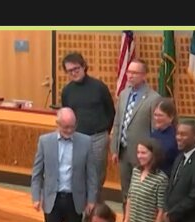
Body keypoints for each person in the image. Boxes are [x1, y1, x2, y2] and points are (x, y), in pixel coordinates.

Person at [31, 107, 98, 222]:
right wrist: (36, 196)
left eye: (72, 126)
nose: (69, 130)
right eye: (65, 127)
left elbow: (91, 174)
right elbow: (37, 172)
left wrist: (91, 199)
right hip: (52, 199)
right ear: (57, 124)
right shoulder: (45, 141)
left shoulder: (85, 142)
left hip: (74, 199)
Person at [60, 53, 115, 196]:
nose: (74, 73)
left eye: (76, 68)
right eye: (69, 71)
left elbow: (111, 111)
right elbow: (67, 115)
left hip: (98, 138)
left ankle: (94, 211)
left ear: (84, 66)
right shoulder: (67, 91)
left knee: (96, 177)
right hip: (77, 138)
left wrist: (105, 133)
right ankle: (80, 210)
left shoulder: (99, 86)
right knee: (77, 175)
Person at [110, 59, 161, 200]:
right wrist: (114, 148)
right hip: (123, 152)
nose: (130, 75)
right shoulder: (124, 94)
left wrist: (152, 155)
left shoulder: (154, 98)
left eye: (135, 72)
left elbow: (155, 129)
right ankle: (127, 219)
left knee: (141, 193)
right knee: (126, 191)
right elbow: (118, 122)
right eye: (129, 72)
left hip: (142, 154)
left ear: (144, 75)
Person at [151, 98, 179, 173]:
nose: (156, 118)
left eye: (160, 115)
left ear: (171, 117)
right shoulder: (153, 134)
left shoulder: (177, 136)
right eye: (155, 115)